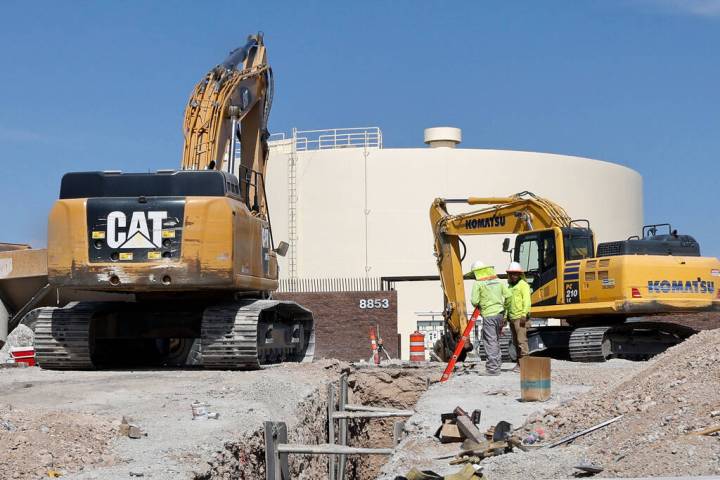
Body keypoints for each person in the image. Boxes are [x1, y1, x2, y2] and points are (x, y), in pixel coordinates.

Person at [469, 260, 511, 376]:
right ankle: (496, 365)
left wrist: (482, 303)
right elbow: (509, 296)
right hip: (500, 315)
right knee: (495, 340)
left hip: (489, 315)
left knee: (490, 341)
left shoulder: (478, 283)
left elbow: (474, 301)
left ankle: (492, 369)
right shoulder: (498, 281)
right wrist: (505, 313)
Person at [506, 261, 531, 372]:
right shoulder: (509, 287)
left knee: (522, 342)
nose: (513, 275)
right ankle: (519, 364)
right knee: (516, 342)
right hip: (512, 318)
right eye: (511, 273)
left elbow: (527, 301)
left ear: (519, 274)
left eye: (515, 273)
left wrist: (524, 314)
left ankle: (525, 365)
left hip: (520, 318)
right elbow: (507, 302)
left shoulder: (523, 285)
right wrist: (506, 315)